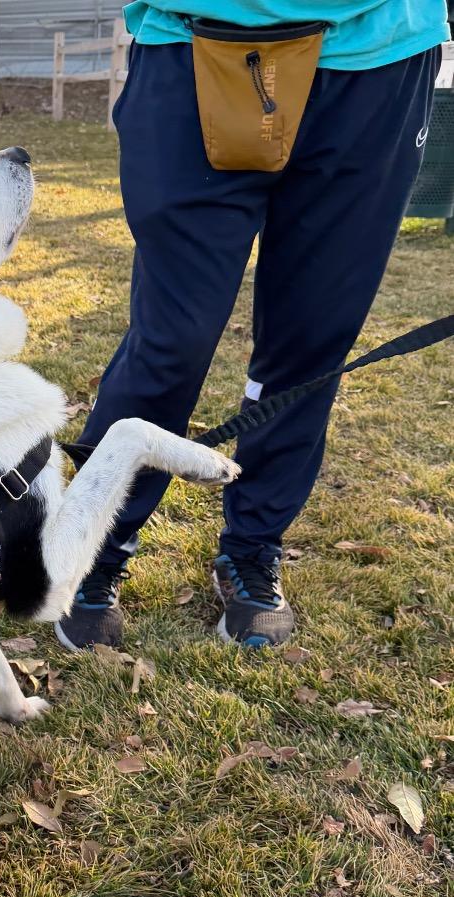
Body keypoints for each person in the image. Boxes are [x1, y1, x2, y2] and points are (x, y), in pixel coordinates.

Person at [56, 0, 450, 652]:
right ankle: (96, 543)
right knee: (173, 338)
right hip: (195, 43)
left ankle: (252, 548)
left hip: (379, 56)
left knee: (313, 337)